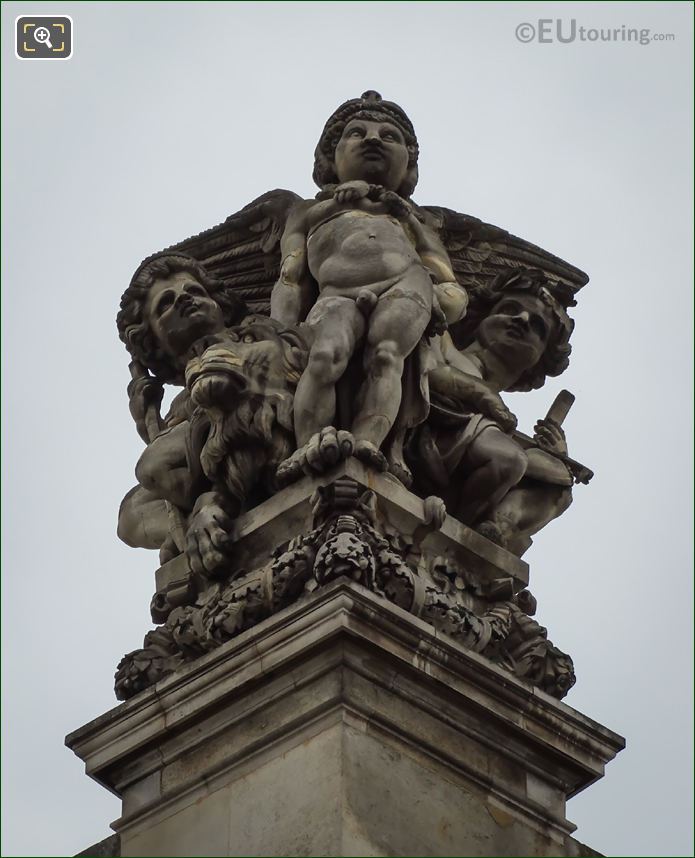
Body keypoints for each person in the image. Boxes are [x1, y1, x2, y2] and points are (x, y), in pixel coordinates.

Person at [270, 92, 467, 474]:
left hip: (405, 285)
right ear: (332, 156)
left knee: (386, 355)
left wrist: (404, 218)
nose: (373, 139)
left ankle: (367, 444)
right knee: (325, 356)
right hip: (335, 294)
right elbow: (290, 274)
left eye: (389, 136)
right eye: (357, 133)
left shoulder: (416, 220)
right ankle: (307, 444)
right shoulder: (308, 211)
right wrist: (281, 331)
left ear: (408, 162)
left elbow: (445, 277)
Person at [410, 269, 575, 552]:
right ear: (481, 317)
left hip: (473, 443)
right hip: (422, 427)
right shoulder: (444, 339)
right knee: (507, 459)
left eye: (537, 326)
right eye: (509, 309)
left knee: (558, 484)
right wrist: (483, 395)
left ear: (540, 359)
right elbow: (431, 372)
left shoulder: (497, 417)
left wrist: (556, 456)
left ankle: (489, 529)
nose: (521, 320)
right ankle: (451, 536)